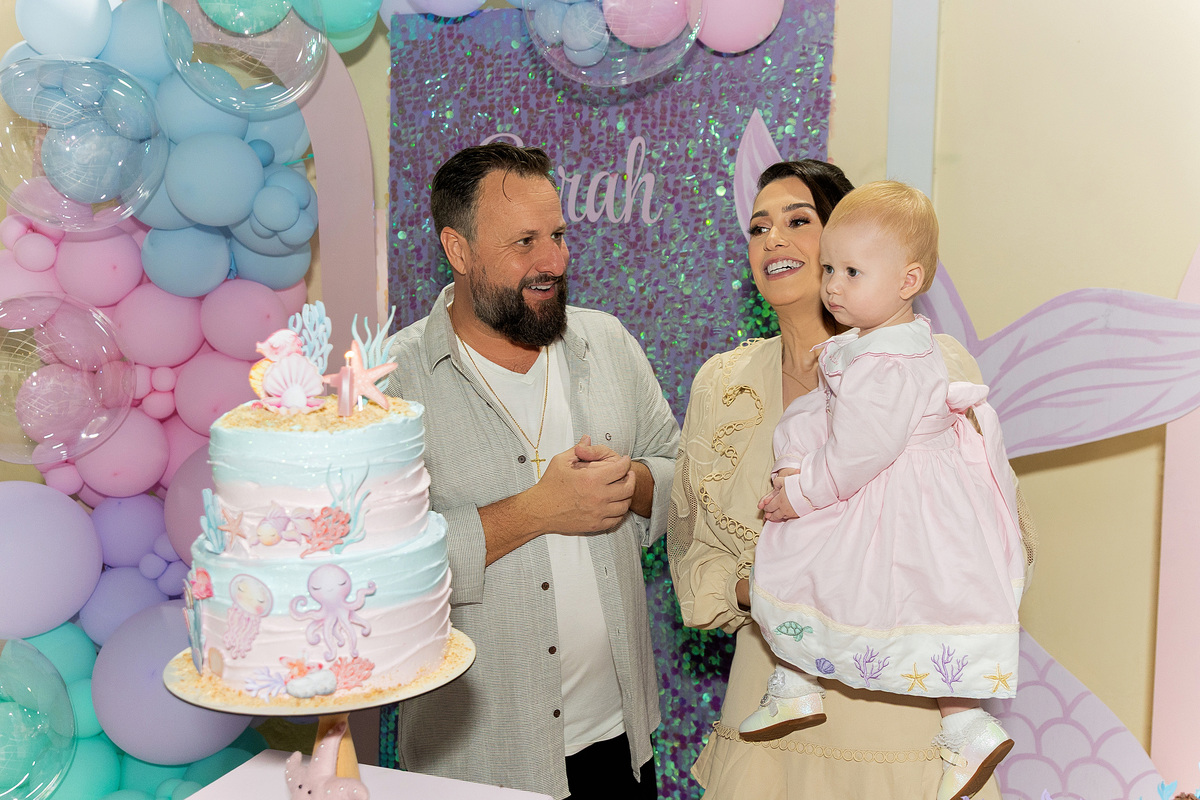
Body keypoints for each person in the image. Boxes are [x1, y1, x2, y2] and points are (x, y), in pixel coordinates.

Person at [668, 160, 1035, 799]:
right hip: (772, 703)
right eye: (758, 227)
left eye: (798, 220)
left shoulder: (932, 363)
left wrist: (866, 581)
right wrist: (770, 590)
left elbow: (1001, 529)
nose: (774, 240)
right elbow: (693, 555)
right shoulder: (721, 384)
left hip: (903, 713)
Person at [385, 142, 679, 800]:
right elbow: (379, 570)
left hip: (620, 745)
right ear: (459, 250)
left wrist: (630, 484)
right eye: (525, 242)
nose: (554, 261)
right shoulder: (392, 384)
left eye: (558, 236)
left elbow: (678, 472)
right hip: (477, 762)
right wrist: (537, 510)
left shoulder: (607, 343)